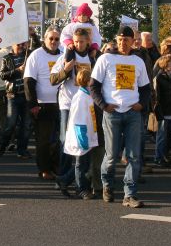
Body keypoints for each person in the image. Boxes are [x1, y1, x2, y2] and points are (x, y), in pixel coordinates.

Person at [90, 25, 151, 208]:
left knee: (133, 156)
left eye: (127, 40)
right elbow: (93, 86)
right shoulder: (106, 59)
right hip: (112, 113)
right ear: (116, 41)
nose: (123, 43)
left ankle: (129, 194)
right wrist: (104, 105)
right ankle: (107, 184)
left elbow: (146, 88)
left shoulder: (138, 61)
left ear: (133, 42)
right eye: (120, 40)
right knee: (111, 156)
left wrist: (142, 104)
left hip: (133, 113)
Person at [52, 28, 99, 193]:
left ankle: (73, 179)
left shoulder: (93, 58)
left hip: (87, 104)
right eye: (76, 41)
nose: (79, 44)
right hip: (68, 104)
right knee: (67, 142)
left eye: (82, 41)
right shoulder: (65, 56)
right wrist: (66, 69)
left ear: (88, 41)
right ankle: (64, 176)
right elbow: (52, 80)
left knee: (85, 144)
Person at [24, 27, 63, 180]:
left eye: (56, 39)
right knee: (44, 141)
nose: (54, 41)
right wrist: (33, 105)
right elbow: (28, 81)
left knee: (61, 140)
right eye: (51, 38)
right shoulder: (36, 55)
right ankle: (45, 169)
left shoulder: (64, 54)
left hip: (62, 104)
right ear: (45, 39)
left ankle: (57, 167)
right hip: (43, 105)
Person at [62, 67, 99, 200]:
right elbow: (78, 119)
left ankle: (63, 181)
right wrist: (82, 138)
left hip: (86, 135)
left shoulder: (86, 95)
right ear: (88, 81)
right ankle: (80, 189)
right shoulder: (80, 97)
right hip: (80, 136)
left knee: (83, 164)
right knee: (80, 164)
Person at [0, 40, 32, 159]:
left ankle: (22, 149)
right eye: (18, 44)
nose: (21, 46)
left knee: (26, 125)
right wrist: (17, 70)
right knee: (11, 124)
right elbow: (2, 75)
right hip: (13, 95)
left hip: (26, 96)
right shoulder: (6, 58)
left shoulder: (28, 56)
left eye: (23, 44)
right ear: (12, 45)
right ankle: (3, 144)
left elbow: (38, 47)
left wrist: (32, 36)